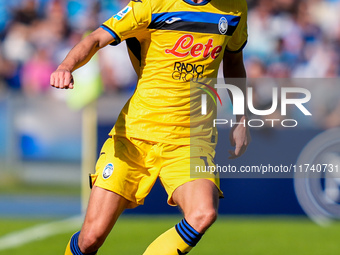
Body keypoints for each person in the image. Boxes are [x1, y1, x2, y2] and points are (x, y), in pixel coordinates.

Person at [50, 0, 250, 254]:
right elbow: (97, 38)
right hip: (135, 136)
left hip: (190, 140)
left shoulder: (234, 7)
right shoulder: (153, 4)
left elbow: (234, 62)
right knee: (91, 237)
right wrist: (66, 67)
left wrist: (242, 117)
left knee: (203, 213)